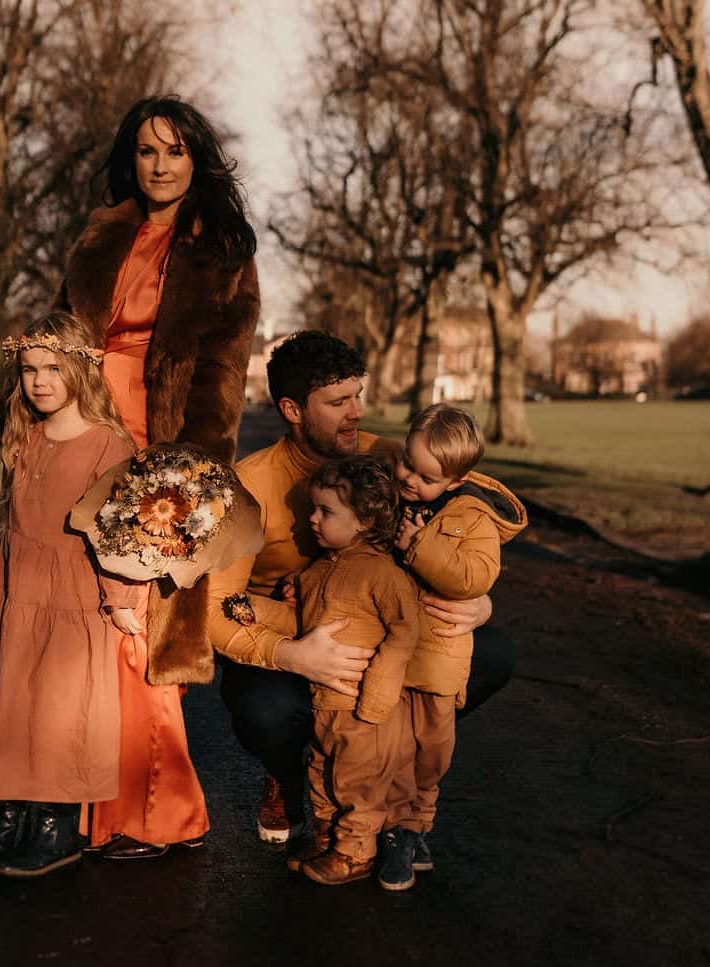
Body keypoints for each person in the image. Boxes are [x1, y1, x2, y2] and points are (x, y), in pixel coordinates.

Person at [206, 331, 513, 843]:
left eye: (358, 396)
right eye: (338, 401)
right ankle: (286, 775)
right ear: (292, 408)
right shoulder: (248, 486)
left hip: (379, 633)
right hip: (295, 636)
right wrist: (290, 654)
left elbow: (467, 537)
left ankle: (393, 771)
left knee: (495, 654)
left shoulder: (395, 464)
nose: (356, 413)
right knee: (265, 711)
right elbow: (215, 608)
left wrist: (479, 602)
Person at [54, 95, 260, 858]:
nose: (160, 164)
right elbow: (59, 342)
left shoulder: (222, 250)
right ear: (130, 159)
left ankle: (156, 810)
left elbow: (222, 377)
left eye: (174, 150)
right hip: (81, 441)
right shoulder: (101, 237)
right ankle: (87, 806)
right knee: (83, 631)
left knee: (138, 632)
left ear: (196, 158)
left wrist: (189, 478)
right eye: (146, 150)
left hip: (159, 454)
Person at [0, 311, 146, 878]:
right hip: (16, 585)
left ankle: (54, 827)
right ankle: (9, 821)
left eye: (53, 369)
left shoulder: (108, 444)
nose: (39, 381)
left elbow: (115, 533)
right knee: (9, 703)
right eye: (29, 369)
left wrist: (121, 601)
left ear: (81, 371)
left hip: (73, 594)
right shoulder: (24, 436)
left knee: (60, 710)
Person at [375, 403, 527, 890]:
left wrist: (418, 546)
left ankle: (418, 825)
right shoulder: (389, 497)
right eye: (406, 463)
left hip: (440, 658)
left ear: (457, 481)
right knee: (391, 743)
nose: (409, 479)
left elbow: (474, 577)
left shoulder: (473, 518)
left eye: (426, 476)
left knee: (431, 749)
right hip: (393, 653)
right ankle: (394, 831)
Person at [251, 456, 422, 886]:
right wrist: (261, 607)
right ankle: (327, 837)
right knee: (323, 771)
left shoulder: (381, 574)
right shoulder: (318, 569)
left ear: (365, 520)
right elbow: (302, 623)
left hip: (363, 706)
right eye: (313, 508)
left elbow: (405, 632)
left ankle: (355, 851)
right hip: (324, 702)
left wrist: (379, 691)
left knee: (356, 783)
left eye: (326, 511)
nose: (312, 519)